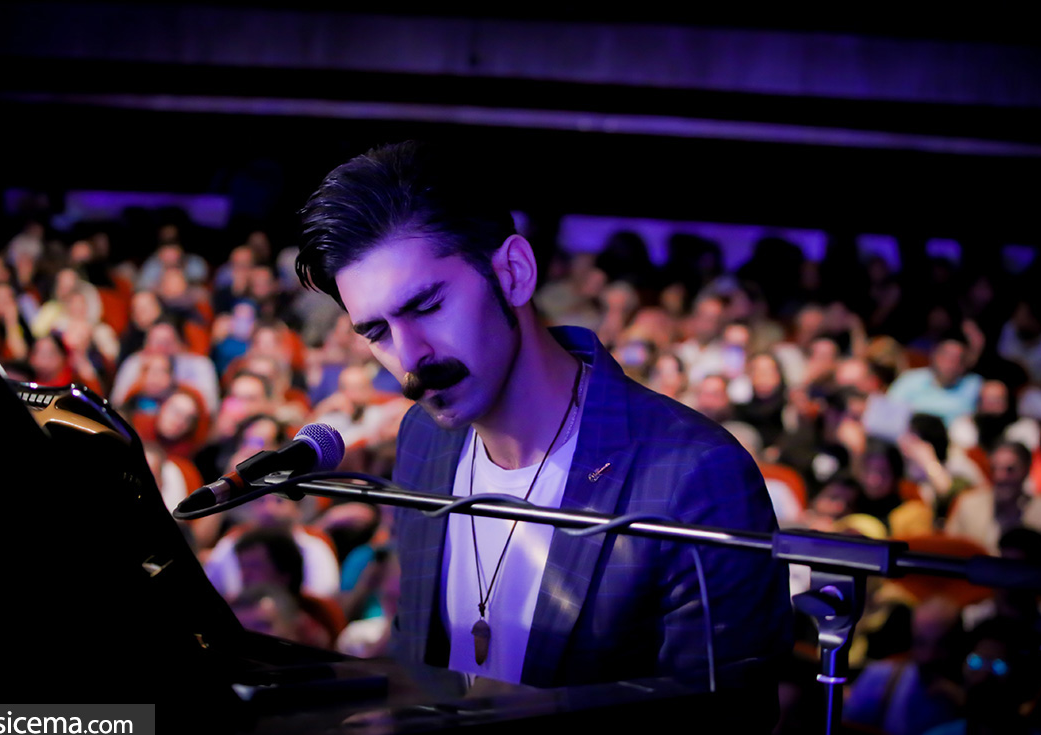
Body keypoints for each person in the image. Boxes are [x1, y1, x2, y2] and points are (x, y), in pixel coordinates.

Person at [294, 141, 790, 694]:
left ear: (514, 272)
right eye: (377, 332)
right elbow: (422, 663)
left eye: (427, 305)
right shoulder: (422, 437)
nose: (409, 356)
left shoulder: (697, 475)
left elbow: (722, 727)